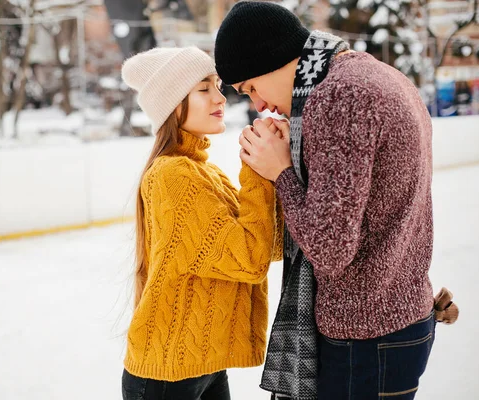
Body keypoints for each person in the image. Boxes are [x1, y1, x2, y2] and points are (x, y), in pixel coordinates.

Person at [214, 2, 457, 399]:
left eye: (251, 87)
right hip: (396, 319)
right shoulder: (375, 74)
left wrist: (281, 172)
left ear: (271, 57)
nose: (258, 105)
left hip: (365, 338)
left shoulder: (339, 95)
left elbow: (328, 250)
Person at [120, 46, 283, 400]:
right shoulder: (174, 175)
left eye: (218, 85)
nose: (219, 97)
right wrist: (257, 170)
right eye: (203, 88)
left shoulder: (204, 172)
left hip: (202, 365)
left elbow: (269, 246)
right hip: (167, 376)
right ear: (172, 104)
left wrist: (277, 171)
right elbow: (250, 259)